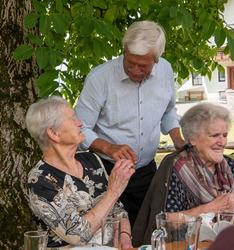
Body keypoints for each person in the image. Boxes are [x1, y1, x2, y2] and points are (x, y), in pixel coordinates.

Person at [74, 20, 184, 226]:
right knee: (110, 234)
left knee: (146, 231)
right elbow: (79, 127)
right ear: (124, 50)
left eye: (142, 65)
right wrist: (108, 147)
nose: (134, 70)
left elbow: (168, 110)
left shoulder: (166, 71)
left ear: (157, 60)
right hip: (104, 172)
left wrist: (177, 138)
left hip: (146, 171)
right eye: (129, 62)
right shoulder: (100, 78)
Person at [25, 96, 135, 249]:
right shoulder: (40, 180)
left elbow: (117, 209)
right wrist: (114, 190)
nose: (80, 123)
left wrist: (125, 237)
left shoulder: (91, 159)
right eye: (72, 118)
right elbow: (78, 235)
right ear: (53, 133)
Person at [132, 102, 234, 246]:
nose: (222, 142)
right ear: (192, 139)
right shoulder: (177, 168)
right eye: (214, 135)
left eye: (224, 135)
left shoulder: (229, 166)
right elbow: (165, 221)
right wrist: (210, 208)